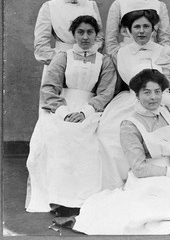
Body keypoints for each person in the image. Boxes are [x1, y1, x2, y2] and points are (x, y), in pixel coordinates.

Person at [72, 69, 170, 235]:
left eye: (157, 92)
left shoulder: (168, 111)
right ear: (137, 95)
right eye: (147, 92)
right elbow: (139, 168)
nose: (153, 97)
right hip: (146, 178)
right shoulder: (129, 125)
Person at [26, 16, 116, 216]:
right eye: (80, 32)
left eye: (90, 32)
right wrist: (64, 113)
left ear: (96, 35)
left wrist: (85, 112)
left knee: (88, 140)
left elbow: (105, 93)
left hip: (91, 110)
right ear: (73, 35)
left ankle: (83, 198)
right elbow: (49, 89)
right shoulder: (62, 57)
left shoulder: (105, 61)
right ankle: (59, 198)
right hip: (62, 108)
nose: (85, 37)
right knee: (61, 135)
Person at [96, 9, 170, 191]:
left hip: (158, 100)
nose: (141, 31)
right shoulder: (122, 53)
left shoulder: (165, 52)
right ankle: (116, 185)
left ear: (154, 29)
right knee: (108, 135)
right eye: (136, 27)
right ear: (129, 31)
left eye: (146, 26)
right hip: (129, 101)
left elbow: (166, 82)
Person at [34, 0, 104, 82]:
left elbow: (99, 38)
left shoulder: (91, 5)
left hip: (88, 64)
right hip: (59, 65)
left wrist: (88, 56)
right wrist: (64, 60)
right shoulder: (50, 7)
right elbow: (40, 46)